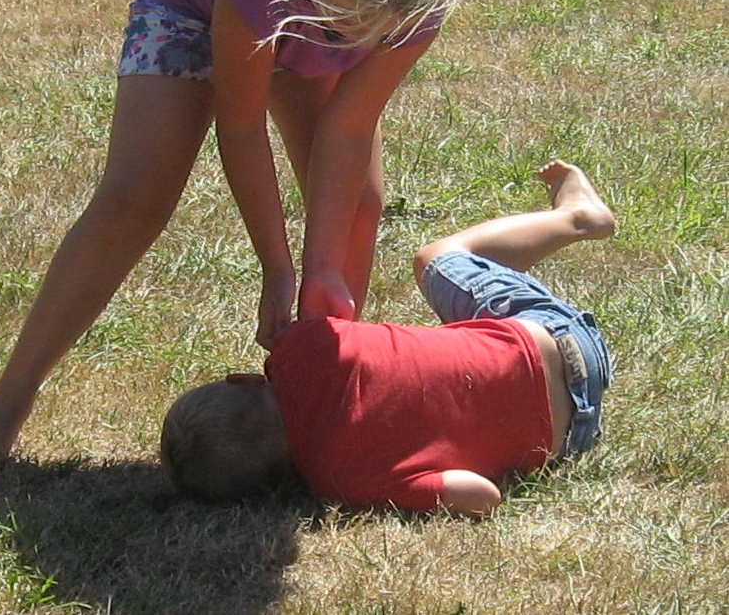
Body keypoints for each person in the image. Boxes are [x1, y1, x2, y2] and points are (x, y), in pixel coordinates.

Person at [0, 0, 471, 488]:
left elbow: (349, 129)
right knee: (136, 195)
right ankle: (6, 403)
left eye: (366, 37)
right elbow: (241, 125)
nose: (346, 46)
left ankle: (310, 404)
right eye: (337, 31)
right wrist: (277, 268)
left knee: (358, 205)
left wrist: (323, 268)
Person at [161, 160, 615, 517]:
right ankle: (578, 217)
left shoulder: (343, 483)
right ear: (243, 379)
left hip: (570, 436)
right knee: (436, 258)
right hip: (556, 337)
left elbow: (480, 495)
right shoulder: (302, 350)